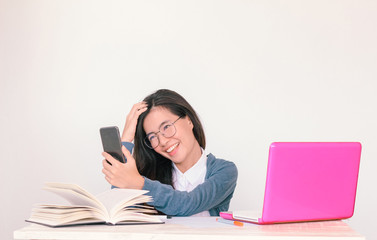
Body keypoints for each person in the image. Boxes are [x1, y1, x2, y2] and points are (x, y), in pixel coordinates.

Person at [102, 89, 238, 216]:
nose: (162, 141)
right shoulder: (149, 176)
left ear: (189, 120)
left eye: (166, 127)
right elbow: (120, 211)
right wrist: (126, 139)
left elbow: (188, 204)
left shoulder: (224, 171)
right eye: (152, 137)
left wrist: (139, 184)